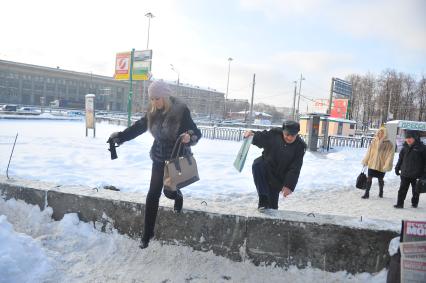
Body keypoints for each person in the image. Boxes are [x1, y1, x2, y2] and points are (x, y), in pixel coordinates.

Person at [108, 81, 202, 248]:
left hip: (176, 157)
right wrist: (120, 137)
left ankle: (177, 196)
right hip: (159, 156)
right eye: (151, 98)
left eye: (157, 98)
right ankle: (147, 233)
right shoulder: (152, 111)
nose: (154, 102)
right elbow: (138, 127)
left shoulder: (180, 110)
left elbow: (196, 131)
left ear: (165, 96)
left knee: (169, 192)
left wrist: (189, 136)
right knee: (153, 194)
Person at [244, 121, 306, 210]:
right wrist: (252, 135)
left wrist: (288, 185)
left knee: (272, 207)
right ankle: (263, 199)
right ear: (283, 131)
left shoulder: (299, 147)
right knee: (257, 163)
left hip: (278, 178)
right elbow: (262, 137)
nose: (289, 137)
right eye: (287, 134)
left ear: (297, 134)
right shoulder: (274, 134)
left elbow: (295, 168)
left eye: (293, 135)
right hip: (265, 169)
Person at [394, 130, 426, 208]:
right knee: (402, 189)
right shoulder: (404, 147)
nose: (408, 139)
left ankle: (414, 203)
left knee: (415, 190)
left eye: (410, 138)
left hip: (417, 174)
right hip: (405, 172)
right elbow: (400, 159)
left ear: (415, 138)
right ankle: (399, 204)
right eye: (407, 138)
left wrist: (424, 175)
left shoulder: (422, 148)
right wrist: (397, 167)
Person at [360, 127, 395, 199]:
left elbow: (390, 156)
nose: (380, 134)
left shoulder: (389, 144)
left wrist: (387, 164)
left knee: (380, 179)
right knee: (369, 178)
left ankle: (381, 191)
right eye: (379, 133)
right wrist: (366, 160)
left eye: (382, 133)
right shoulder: (374, 141)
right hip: (372, 163)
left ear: (385, 134)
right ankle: (367, 193)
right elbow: (369, 152)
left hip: (381, 164)